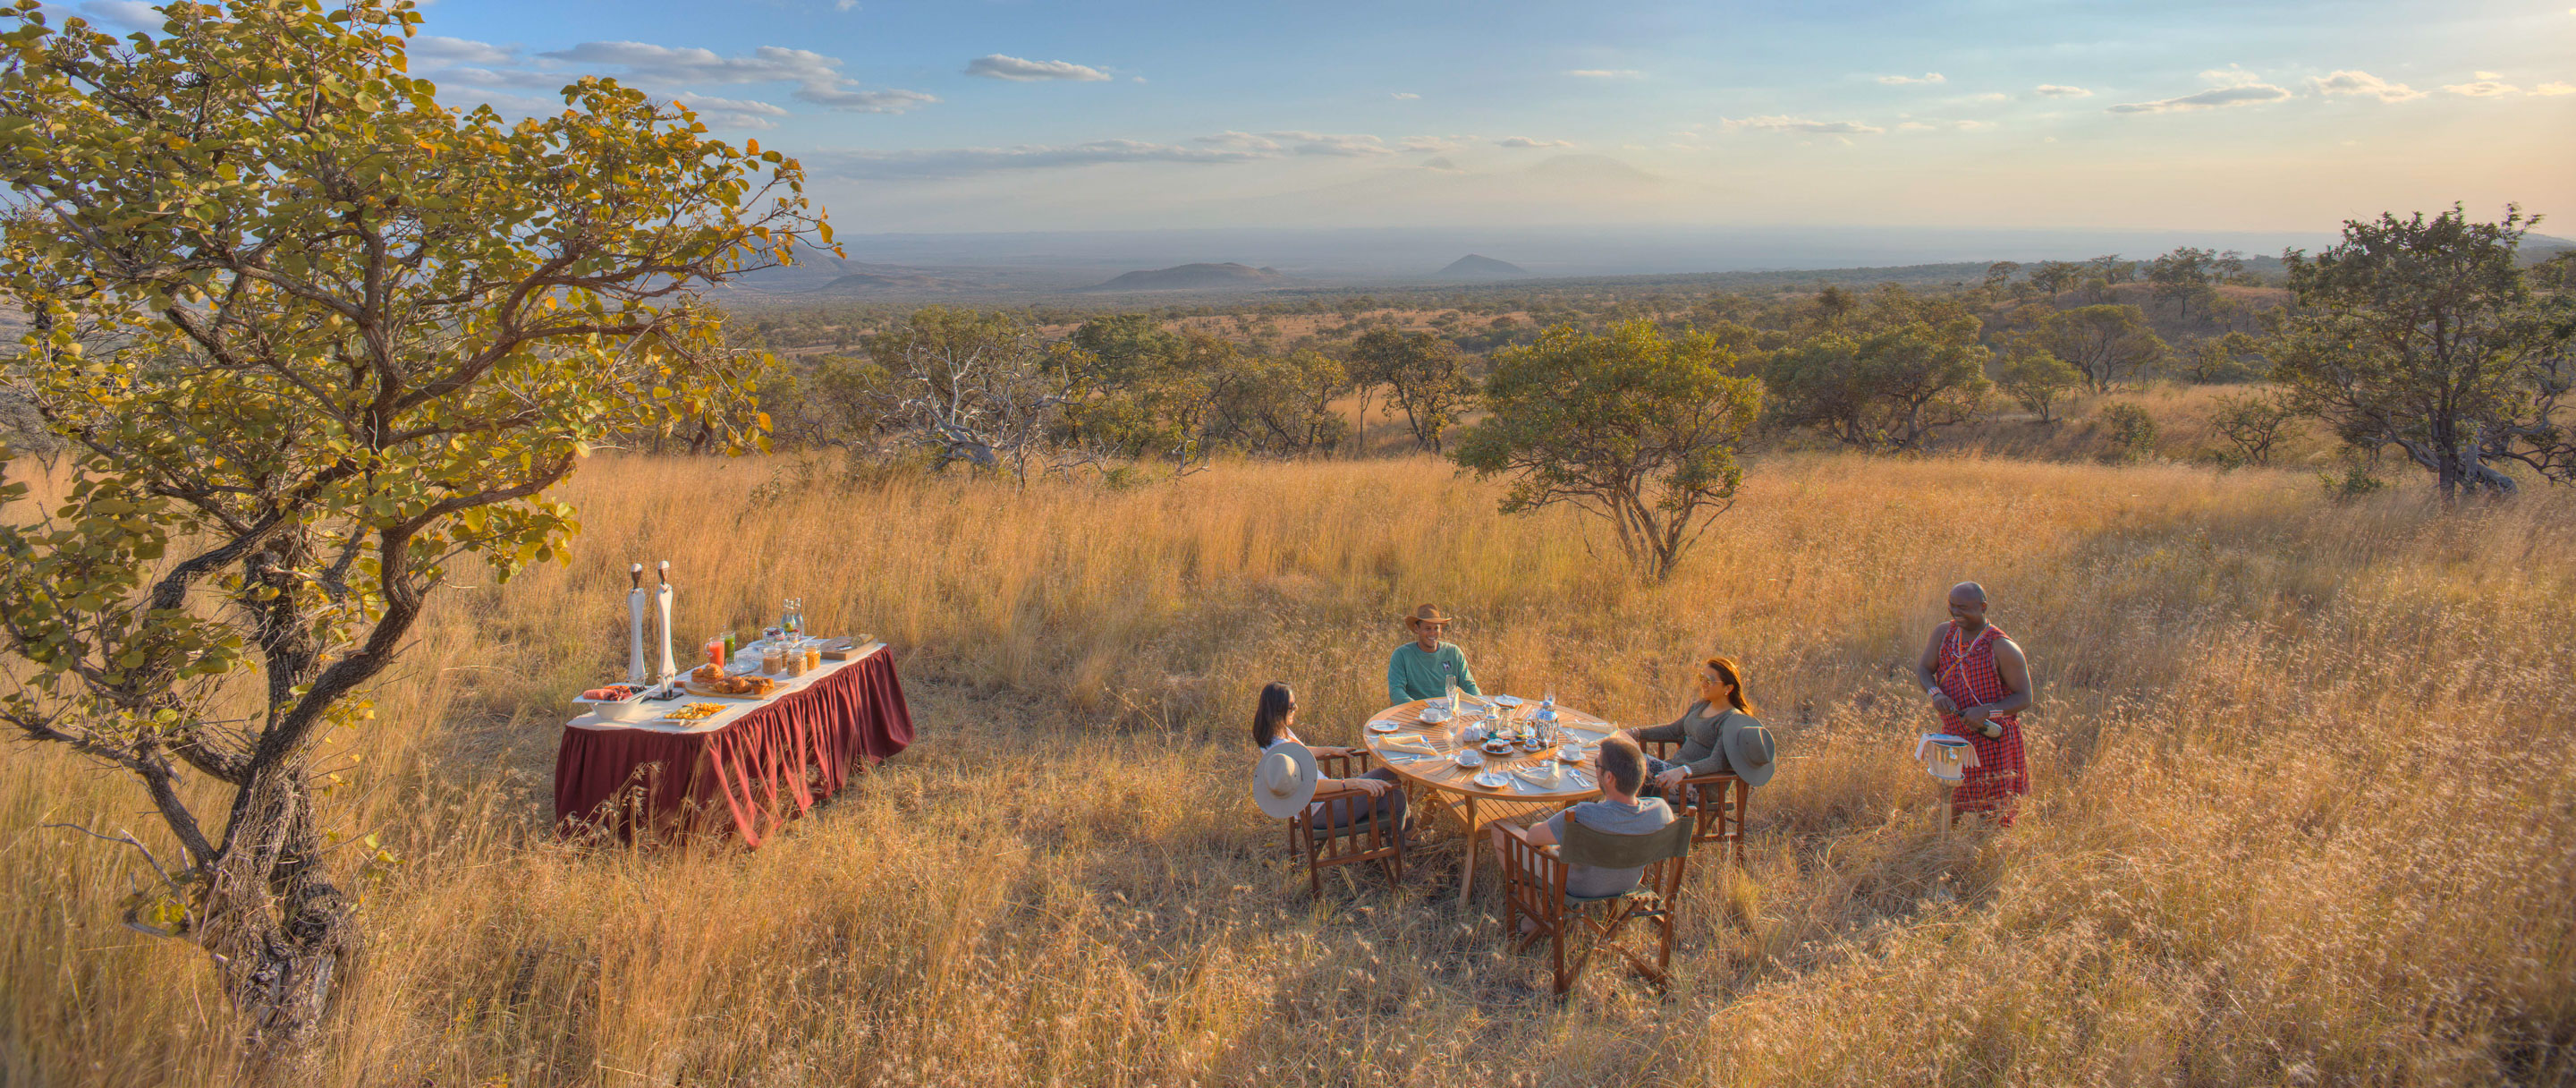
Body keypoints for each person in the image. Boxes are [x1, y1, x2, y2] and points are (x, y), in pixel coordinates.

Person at [1488, 735, 1674, 908]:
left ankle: (1534, 915)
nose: (1596, 769)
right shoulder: (1661, 810)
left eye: (1597, 764)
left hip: (1578, 884)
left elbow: (1532, 838)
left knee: (1499, 830)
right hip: (1629, 883)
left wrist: (1544, 834)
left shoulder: (1584, 815)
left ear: (1609, 777)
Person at [1914, 582, 2035, 825]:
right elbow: (1924, 670)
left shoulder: (2002, 647)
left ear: (1983, 607)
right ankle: (1945, 845)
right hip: (1955, 737)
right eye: (1952, 605)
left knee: (1995, 815)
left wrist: (1986, 711)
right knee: (1950, 806)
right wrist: (1936, 694)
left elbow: (2025, 697)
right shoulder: (1944, 634)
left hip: (1993, 738)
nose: (1956, 612)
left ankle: (1987, 847)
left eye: (1964, 608)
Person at [1251, 681, 1405, 831]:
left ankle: (1401, 838)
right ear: (1278, 709)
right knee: (1393, 783)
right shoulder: (1281, 751)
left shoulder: (1276, 736)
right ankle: (1404, 839)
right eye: (1292, 705)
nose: (1296, 708)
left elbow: (1301, 752)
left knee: (1393, 791)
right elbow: (1311, 788)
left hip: (1324, 803)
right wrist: (1352, 783)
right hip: (1324, 809)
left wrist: (1330, 750)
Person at [1622, 656, 1777, 799]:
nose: (1703, 684)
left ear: (1728, 688)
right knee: (1621, 761)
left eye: (1709, 680)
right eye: (1702, 677)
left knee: (1629, 761)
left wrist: (1684, 770)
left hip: (1697, 784)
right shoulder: (1700, 706)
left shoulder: (1731, 720)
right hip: (1674, 772)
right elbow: (1672, 730)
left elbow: (1716, 762)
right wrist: (1635, 732)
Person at [1386, 603, 1480, 706]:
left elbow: (1469, 685)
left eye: (1436, 628)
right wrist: (1420, 709)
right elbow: (1396, 691)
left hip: (1447, 711)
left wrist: (1481, 704)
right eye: (1428, 629)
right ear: (1417, 629)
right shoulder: (1402, 655)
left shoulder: (1454, 653)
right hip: (1415, 712)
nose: (1432, 633)